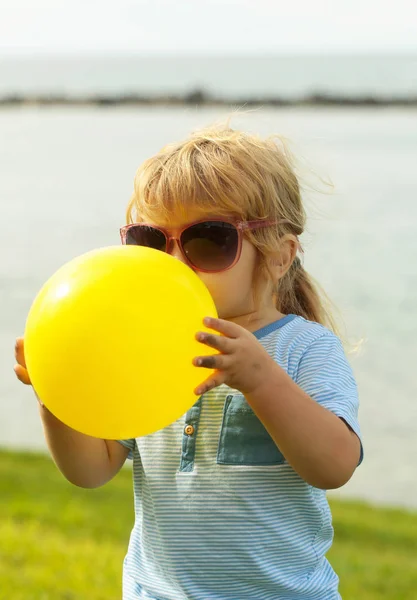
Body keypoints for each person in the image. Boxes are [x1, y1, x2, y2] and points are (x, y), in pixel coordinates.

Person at [14, 125, 363, 600]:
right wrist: (56, 394)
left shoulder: (304, 348)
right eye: (152, 240)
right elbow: (91, 471)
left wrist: (261, 381)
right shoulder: (141, 346)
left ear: (279, 256)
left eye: (208, 240)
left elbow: (335, 466)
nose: (174, 262)